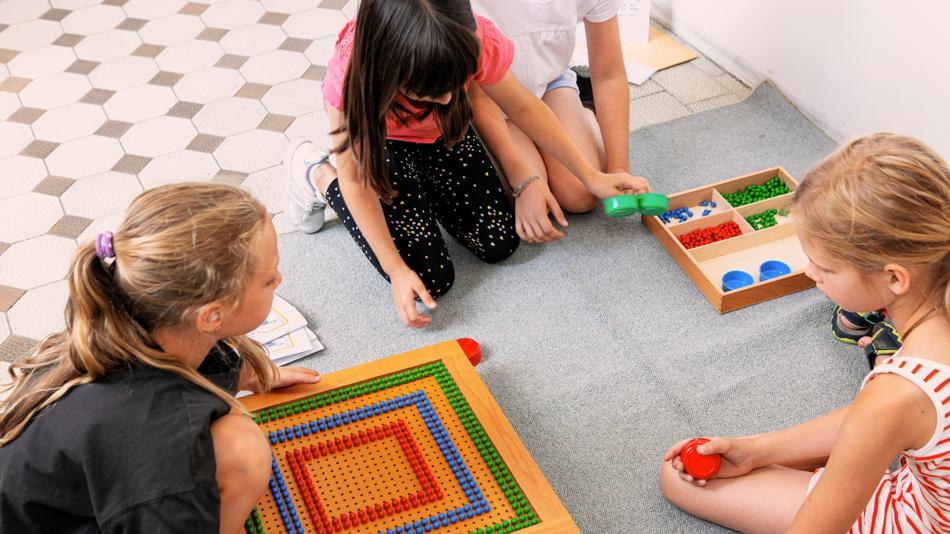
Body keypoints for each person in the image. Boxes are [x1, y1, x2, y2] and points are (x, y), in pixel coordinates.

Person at [285, 0, 649, 328]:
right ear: (391, 69)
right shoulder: (352, 79)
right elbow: (356, 181)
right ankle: (315, 173)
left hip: (442, 133)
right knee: (430, 279)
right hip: (384, 146)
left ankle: (417, 187)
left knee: (498, 242)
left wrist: (592, 175)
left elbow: (523, 106)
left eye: (454, 85)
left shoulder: (472, 37)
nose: (447, 97)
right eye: (429, 92)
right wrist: (395, 270)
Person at [660, 133, 950, 532]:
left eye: (825, 267)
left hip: (925, 521)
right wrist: (758, 451)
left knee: (678, 478)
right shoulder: (909, 382)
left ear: (895, 278)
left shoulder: (895, 393)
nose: (810, 273)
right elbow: (892, 417)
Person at [0, 183, 320, 533]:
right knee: (244, 450)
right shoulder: (160, 443)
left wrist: (245, 373)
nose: (279, 279)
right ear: (211, 315)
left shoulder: (119, 323)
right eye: (269, 280)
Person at [470, 0, 633, 243]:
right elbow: (479, 100)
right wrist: (523, 180)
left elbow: (609, 74)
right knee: (535, 200)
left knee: (580, 196)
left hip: (549, 82)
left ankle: (584, 111)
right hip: (491, 98)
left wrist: (618, 168)